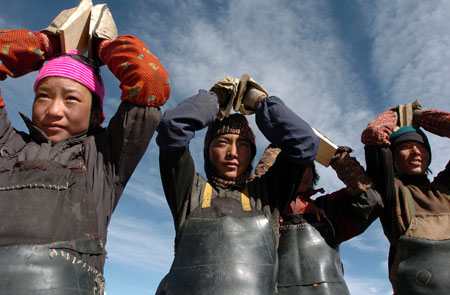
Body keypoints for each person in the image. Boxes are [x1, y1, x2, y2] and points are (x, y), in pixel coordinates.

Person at [0, 17, 170, 295]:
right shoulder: (7, 145)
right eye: (43, 96)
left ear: (95, 114)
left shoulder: (104, 158)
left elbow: (151, 83)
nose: (53, 110)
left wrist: (105, 47)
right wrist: (46, 44)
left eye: (71, 99)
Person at [155, 76, 319, 294]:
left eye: (243, 145)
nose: (233, 153)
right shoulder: (189, 191)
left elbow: (304, 143)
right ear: (208, 150)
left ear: (251, 153)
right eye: (222, 142)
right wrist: (216, 98)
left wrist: (260, 101)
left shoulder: (267, 195)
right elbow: (172, 127)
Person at [252, 144, 383, 294]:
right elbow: (257, 184)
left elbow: (370, 200)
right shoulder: (262, 210)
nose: (302, 172)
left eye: (307, 166)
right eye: (293, 165)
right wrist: (279, 143)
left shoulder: (327, 208)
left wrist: (339, 159)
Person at [361, 103, 450, 295]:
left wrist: (419, 117)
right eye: (406, 146)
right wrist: (394, 115)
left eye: (421, 147)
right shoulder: (392, 191)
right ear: (392, 157)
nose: (416, 152)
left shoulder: (445, 189)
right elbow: (374, 134)